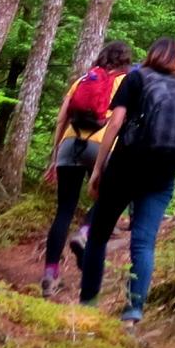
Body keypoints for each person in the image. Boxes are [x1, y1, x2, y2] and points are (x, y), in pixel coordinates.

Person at [79, 36, 175, 326]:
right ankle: (133, 313)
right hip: (163, 173)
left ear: (152, 54)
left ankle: (88, 304)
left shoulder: (136, 78)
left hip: (127, 165)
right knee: (144, 243)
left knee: (98, 234)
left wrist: (98, 168)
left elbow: (116, 123)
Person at [40, 40, 133, 297]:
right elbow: (120, 122)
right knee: (113, 195)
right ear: (126, 60)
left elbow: (62, 118)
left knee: (64, 210)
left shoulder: (84, 79)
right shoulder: (126, 81)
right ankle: (84, 232)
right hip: (101, 145)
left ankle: (50, 274)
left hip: (70, 142)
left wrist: (55, 155)